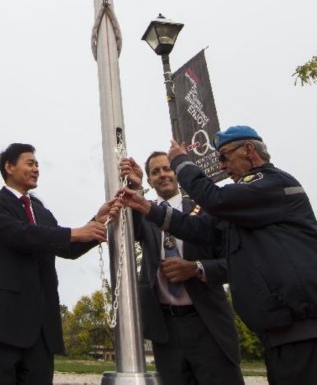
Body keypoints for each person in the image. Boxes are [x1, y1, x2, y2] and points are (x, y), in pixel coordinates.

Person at [120, 125, 317, 385]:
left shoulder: (270, 183)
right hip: (276, 333)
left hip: (300, 330)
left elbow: (215, 200)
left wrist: (182, 161)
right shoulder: (240, 210)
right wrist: (147, 207)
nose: (222, 166)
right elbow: (197, 229)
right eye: (155, 171)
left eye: (224, 157)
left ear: (248, 150)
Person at [0, 142, 116, 385]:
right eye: (30, 163)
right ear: (9, 167)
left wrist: (97, 221)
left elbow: (67, 247)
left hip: (41, 331)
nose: (36, 169)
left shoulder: (43, 213)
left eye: (38, 164)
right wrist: (74, 232)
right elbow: (19, 234)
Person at [120, 151, 243, 385]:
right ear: (149, 180)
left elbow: (233, 263)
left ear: (177, 173)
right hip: (166, 328)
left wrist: (196, 268)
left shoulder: (205, 210)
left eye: (167, 169)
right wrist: (135, 189)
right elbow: (129, 230)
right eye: (155, 172)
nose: (162, 175)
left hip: (207, 322)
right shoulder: (146, 213)